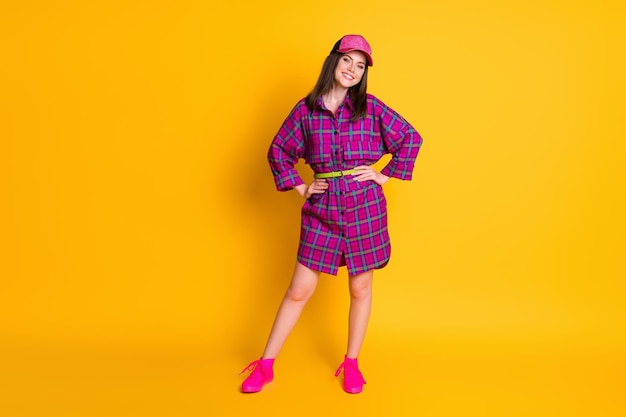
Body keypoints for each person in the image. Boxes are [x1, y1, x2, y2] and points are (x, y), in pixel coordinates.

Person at [239, 34, 423, 394]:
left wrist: (383, 174)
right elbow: (278, 151)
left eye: (360, 65)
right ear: (333, 62)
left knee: (360, 287)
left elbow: (410, 138)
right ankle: (265, 365)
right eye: (347, 61)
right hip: (322, 209)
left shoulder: (371, 108)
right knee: (299, 289)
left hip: (364, 207)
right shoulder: (305, 110)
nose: (352, 70)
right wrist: (302, 187)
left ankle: (351, 363)